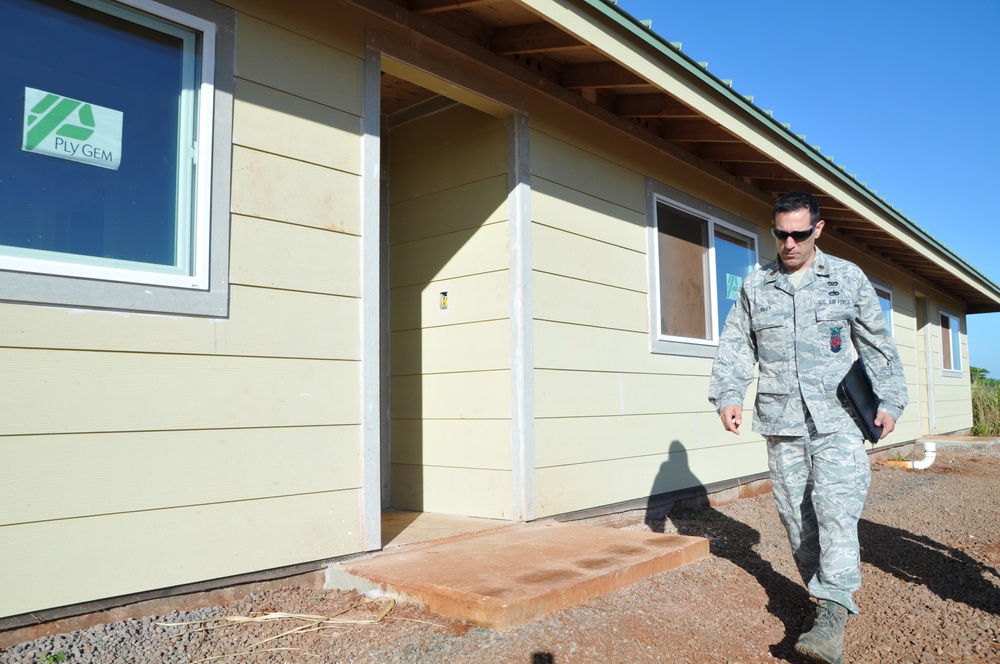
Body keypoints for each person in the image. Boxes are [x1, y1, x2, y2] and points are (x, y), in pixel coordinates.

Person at [707, 190, 908, 664]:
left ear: (818, 229)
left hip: (838, 420)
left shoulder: (846, 278)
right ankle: (823, 600)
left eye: (799, 233)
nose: (789, 243)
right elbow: (737, 344)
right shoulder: (758, 286)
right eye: (781, 234)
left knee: (836, 512)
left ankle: (833, 615)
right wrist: (730, 395)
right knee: (798, 522)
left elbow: (877, 345)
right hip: (783, 423)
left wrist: (892, 401)